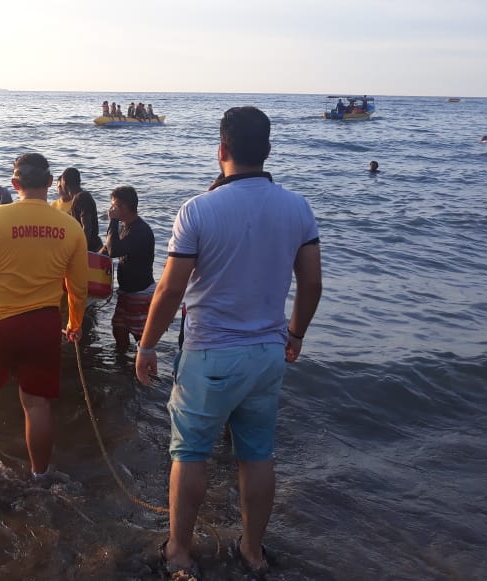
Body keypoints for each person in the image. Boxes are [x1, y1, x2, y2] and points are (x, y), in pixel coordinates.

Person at [135, 106, 323, 579]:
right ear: (268, 151)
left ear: (221, 150)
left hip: (210, 354)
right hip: (268, 353)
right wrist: (295, 333)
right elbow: (312, 284)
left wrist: (147, 345)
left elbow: (171, 288)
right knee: (257, 454)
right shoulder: (298, 207)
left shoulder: (198, 209)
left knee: (191, 453)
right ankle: (253, 553)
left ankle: (179, 552)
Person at [0, 152, 89, 481]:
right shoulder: (70, 226)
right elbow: (78, 288)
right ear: (49, 183)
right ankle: (40, 476)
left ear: (15, 184)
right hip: (42, 323)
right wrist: (74, 324)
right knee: (36, 404)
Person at [103, 186, 155, 350]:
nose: (111, 209)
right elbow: (108, 248)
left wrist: (112, 220)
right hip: (126, 292)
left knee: (142, 337)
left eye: (114, 206)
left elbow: (114, 251)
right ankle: (123, 367)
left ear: (124, 208)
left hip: (139, 292)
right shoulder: (124, 227)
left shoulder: (140, 231)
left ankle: (144, 370)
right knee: (119, 329)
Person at [55, 167, 103, 252]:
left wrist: (80, 250)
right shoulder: (77, 198)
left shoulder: (82, 197)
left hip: (91, 249)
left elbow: (87, 227)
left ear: (64, 182)